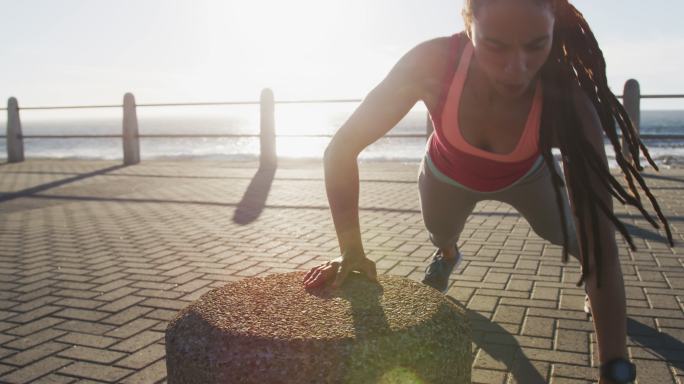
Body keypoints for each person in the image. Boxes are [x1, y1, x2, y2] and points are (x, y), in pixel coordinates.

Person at [302, 0, 673, 383]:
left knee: (574, 239)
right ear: (468, 24)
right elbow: (341, 149)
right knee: (441, 234)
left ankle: (591, 293)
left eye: (535, 45)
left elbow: (603, 248)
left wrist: (615, 368)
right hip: (447, 176)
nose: (517, 68)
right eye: (496, 45)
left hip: (527, 177)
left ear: (553, 29)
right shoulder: (431, 64)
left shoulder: (570, 106)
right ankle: (447, 254)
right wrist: (351, 249)